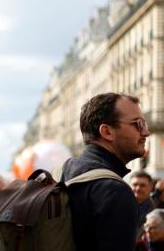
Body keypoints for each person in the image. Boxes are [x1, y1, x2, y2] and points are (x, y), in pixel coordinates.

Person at [61, 93, 150, 250]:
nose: (145, 133)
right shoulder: (114, 191)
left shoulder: (62, 171)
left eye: (144, 124)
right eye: (137, 124)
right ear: (107, 132)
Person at [133, 171, 158, 241]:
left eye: (142, 185)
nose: (138, 188)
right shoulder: (120, 204)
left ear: (151, 187)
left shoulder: (157, 209)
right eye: (135, 185)